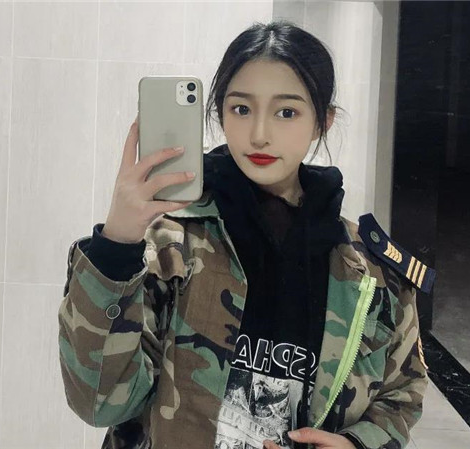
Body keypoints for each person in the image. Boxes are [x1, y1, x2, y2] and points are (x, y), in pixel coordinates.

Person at [58, 20, 434, 449]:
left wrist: (358, 445)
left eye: (287, 112)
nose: (259, 134)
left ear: (322, 122)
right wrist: (116, 243)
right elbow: (99, 404)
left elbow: (402, 395)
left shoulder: (371, 272)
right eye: (241, 109)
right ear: (220, 113)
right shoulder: (167, 245)